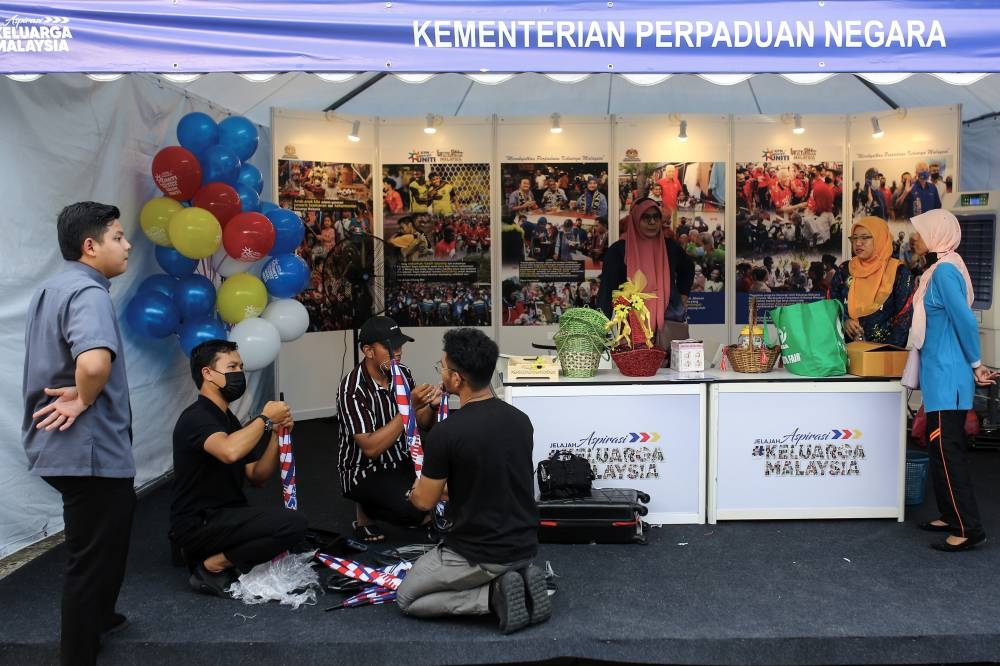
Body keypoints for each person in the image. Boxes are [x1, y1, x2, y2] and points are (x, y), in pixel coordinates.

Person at [22, 202, 135, 665]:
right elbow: (92, 362)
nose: (127, 245)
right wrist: (85, 397)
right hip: (86, 450)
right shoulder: (89, 294)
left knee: (113, 529)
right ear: (91, 246)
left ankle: (101, 616)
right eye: (118, 237)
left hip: (71, 449)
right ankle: (78, 653)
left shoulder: (52, 287)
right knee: (89, 558)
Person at [396, 328, 550, 634]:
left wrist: (414, 492)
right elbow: (496, 478)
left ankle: (492, 596)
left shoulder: (447, 433)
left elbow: (424, 502)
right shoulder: (521, 420)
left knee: (407, 597)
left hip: (479, 553)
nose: (440, 373)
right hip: (524, 545)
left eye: (442, 367)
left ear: (456, 379)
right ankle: (514, 578)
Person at [170, 340, 308, 596]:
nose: (239, 374)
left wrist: (276, 435)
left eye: (241, 367)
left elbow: (257, 475)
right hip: (198, 522)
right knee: (293, 524)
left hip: (225, 516)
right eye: (232, 366)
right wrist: (265, 419)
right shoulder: (196, 417)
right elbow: (229, 451)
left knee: (293, 531)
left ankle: (206, 553)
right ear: (207, 374)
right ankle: (211, 566)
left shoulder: (228, 419)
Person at [908, 209, 996, 551]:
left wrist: (976, 364)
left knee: (949, 453)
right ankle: (950, 514)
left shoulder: (944, 272)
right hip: (940, 376)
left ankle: (968, 528)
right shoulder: (938, 269)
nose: (914, 237)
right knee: (938, 449)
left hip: (949, 377)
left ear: (935, 234)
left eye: (920, 231)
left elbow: (964, 321)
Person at [336, 316, 439, 542]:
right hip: (363, 470)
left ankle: (411, 509)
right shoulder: (351, 389)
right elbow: (371, 448)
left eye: (400, 345)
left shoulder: (402, 372)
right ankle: (365, 512)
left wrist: (432, 407)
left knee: (442, 488)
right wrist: (409, 407)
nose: (398, 352)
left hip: (402, 459)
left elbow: (423, 424)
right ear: (368, 351)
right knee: (415, 509)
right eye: (390, 347)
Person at [597, 197, 694, 332]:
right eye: (646, 217)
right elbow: (607, 291)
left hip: (667, 321)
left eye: (656, 217)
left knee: (668, 352)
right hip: (632, 326)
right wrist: (600, 330)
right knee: (638, 353)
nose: (652, 222)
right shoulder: (619, 251)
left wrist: (683, 294)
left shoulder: (669, 247)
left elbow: (688, 267)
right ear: (635, 219)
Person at [832, 216, 914, 347]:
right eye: (854, 238)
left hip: (884, 356)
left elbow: (903, 317)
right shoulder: (844, 270)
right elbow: (832, 304)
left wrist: (887, 353)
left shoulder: (899, 272)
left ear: (880, 238)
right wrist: (844, 320)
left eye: (865, 237)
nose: (858, 243)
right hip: (845, 354)